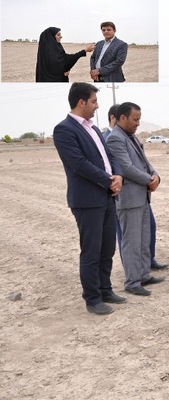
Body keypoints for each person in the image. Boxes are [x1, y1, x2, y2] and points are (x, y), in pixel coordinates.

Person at [52, 82, 125, 315]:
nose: (97, 106)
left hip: (107, 196)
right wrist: (108, 180)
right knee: (91, 251)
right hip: (87, 200)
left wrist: (118, 176)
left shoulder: (93, 128)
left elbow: (108, 156)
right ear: (81, 102)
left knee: (107, 249)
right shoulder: (64, 130)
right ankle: (92, 298)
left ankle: (105, 289)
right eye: (94, 101)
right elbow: (79, 164)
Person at [106, 102, 165, 296]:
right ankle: (132, 282)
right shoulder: (115, 139)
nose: (138, 123)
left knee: (143, 239)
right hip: (129, 199)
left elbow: (144, 163)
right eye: (135, 119)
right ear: (123, 118)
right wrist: (149, 180)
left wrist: (155, 175)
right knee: (131, 242)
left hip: (142, 197)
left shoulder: (131, 137)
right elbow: (126, 168)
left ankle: (144, 275)